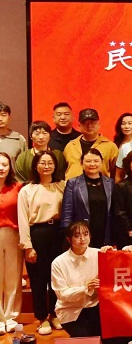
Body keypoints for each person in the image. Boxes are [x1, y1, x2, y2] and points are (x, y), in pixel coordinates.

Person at [17, 150, 65, 335]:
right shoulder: (27, 190)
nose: (47, 166)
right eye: (42, 163)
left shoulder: (62, 186)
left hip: (59, 234)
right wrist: (27, 246)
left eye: (50, 163)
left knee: (57, 276)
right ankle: (41, 317)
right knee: (38, 278)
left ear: (55, 165)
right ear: (36, 166)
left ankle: (55, 313)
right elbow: (23, 219)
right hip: (38, 234)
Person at [51, 221, 113, 337]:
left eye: (85, 234)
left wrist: (112, 255)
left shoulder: (99, 254)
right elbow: (62, 294)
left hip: (95, 306)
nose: (82, 238)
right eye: (77, 235)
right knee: (86, 339)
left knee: (110, 335)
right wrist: (85, 288)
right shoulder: (58, 263)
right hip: (70, 310)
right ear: (69, 239)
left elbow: (119, 270)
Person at [62, 148, 114, 248]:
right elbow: (67, 213)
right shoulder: (73, 183)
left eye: (96, 161)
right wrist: (68, 235)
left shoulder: (110, 183)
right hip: (81, 234)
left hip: (104, 233)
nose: (92, 164)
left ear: (102, 162)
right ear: (81, 163)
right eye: (88, 161)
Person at [0, 152, 22, 335]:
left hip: (13, 234)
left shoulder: (18, 187)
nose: (1, 168)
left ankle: (11, 317)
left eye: (4, 164)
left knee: (13, 277)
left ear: (10, 167)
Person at [63, 108, 119, 180]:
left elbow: (117, 173)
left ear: (99, 124)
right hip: (72, 186)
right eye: (85, 123)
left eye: (92, 122)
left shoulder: (110, 147)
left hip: (100, 186)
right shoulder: (70, 146)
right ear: (79, 125)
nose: (89, 126)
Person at [0, 102, 27, 167]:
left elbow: (24, 166)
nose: (0, 119)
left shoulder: (18, 139)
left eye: (3, 115)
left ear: (9, 117)